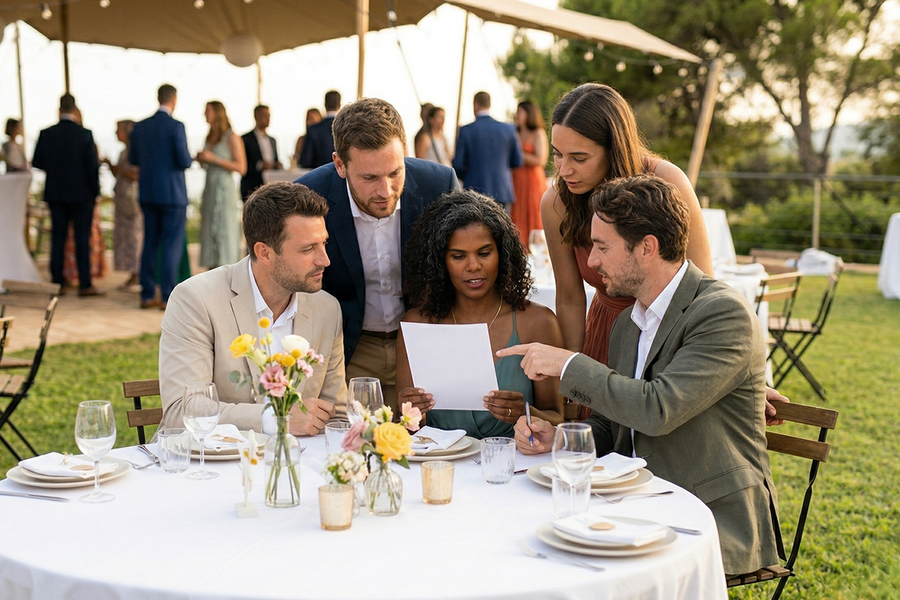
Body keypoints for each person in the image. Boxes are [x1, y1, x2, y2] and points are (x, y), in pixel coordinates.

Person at [501, 174, 782, 576]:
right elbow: (613, 423)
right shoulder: (628, 322)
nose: (592, 262)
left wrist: (566, 363)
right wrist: (558, 438)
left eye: (602, 247)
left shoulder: (723, 313)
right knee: (527, 548)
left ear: (647, 247)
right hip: (628, 505)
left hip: (704, 516)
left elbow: (656, 409)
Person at [297, 97, 459, 415]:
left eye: (395, 173)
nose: (385, 190)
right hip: (347, 348)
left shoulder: (439, 185)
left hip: (423, 342)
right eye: (370, 178)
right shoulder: (307, 197)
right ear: (340, 164)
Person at [158, 181, 346, 436]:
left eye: (323, 243)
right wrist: (277, 419)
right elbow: (183, 410)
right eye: (308, 248)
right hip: (207, 467)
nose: (325, 259)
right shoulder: (195, 299)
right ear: (265, 253)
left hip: (298, 466)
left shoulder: (327, 309)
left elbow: (337, 414)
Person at [397, 190, 564, 438]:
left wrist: (525, 413)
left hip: (516, 468)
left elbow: (557, 419)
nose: (473, 266)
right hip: (440, 467)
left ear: (503, 254)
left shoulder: (538, 322)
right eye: (458, 256)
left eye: (484, 253)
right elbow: (405, 427)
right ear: (439, 262)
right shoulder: (416, 324)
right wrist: (408, 413)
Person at [31, 94, 103, 297]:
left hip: (56, 194)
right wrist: (95, 193)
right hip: (82, 196)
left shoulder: (47, 134)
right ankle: (85, 284)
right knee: (82, 239)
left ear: (59, 109)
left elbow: (37, 161)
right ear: (74, 109)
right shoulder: (85, 134)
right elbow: (92, 168)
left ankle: (58, 282)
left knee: (58, 238)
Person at [130, 83, 194, 310]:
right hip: (173, 195)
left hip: (148, 193)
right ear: (173, 100)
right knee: (171, 245)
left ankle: (147, 294)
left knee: (149, 243)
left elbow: (133, 159)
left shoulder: (140, 127)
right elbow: (184, 160)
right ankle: (168, 296)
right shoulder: (176, 127)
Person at [452, 91, 523, 209]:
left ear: (475, 104)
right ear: (489, 104)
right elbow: (518, 161)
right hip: (502, 189)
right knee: (502, 226)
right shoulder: (509, 129)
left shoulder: (466, 130)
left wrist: (470, 175)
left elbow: (458, 164)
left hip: (474, 190)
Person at [196, 101, 246, 269]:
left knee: (226, 231)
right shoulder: (209, 137)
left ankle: (228, 271)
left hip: (225, 191)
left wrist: (214, 159)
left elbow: (241, 167)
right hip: (210, 189)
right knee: (210, 230)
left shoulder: (232, 137)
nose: (204, 115)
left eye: (207, 111)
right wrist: (203, 159)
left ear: (217, 113)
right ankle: (212, 273)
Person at [103, 120, 142, 289]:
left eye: (118, 130)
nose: (115, 133)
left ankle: (136, 274)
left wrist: (119, 170)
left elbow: (135, 174)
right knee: (126, 237)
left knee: (134, 236)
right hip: (122, 198)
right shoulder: (124, 152)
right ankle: (132, 273)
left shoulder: (136, 152)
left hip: (131, 199)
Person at [511, 100, 549, 246]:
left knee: (533, 214)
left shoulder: (538, 133)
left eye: (520, 112)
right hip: (516, 180)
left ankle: (535, 249)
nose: (517, 115)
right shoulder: (515, 132)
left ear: (528, 114)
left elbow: (541, 159)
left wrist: (518, 154)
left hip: (532, 181)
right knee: (517, 214)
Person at [241, 104, 281, 201]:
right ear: (256, 117)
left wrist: (277, 165)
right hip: (252, 186)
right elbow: (243, 163)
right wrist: (259, 165)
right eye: (263, 115)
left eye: (268, 115)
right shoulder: (245, 139)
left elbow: (275, 159)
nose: (267, 118)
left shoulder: (272, 140)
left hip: (270, 187)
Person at [299, 90, 340, 169]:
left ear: (325, 105)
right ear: (339, 105)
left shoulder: (313, 130)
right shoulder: (348, 129)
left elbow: (305, 161)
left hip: (320, 176)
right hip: (343, 178)